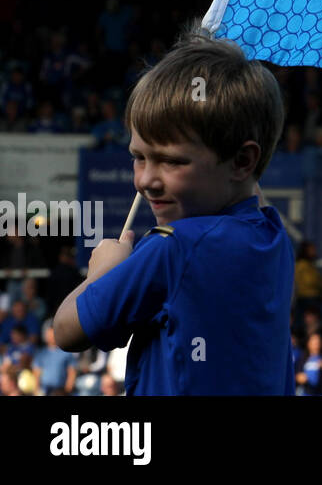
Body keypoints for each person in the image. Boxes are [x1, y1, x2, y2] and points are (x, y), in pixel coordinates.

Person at [52, 24, 295, 395]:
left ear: (242, 160)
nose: (146, 180)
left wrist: (100, 272)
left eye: (171, 161)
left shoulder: (175, 247)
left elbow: (67, 331)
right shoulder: (273, 236)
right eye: (138, 157)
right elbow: (248, 190)